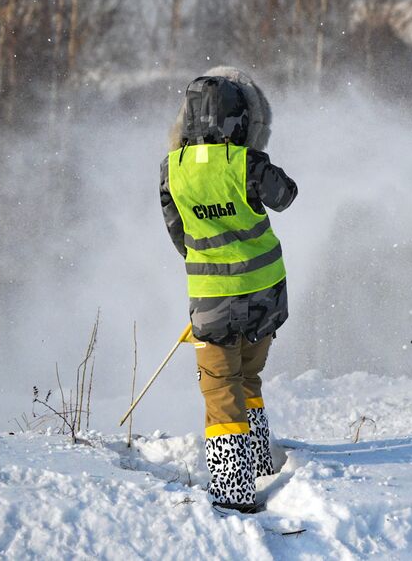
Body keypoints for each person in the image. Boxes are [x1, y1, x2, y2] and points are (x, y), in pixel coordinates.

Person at [159, 70, 298, 513]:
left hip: (212, 301)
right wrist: (255, 160)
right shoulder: (246, 163)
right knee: (249, 377)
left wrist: (208, 257)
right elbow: (286, 196)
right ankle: (257, 462)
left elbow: (177, 233)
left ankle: (234, 495)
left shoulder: (172, 170)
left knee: (221, 394)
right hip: (264, 296)